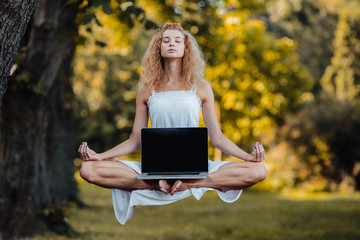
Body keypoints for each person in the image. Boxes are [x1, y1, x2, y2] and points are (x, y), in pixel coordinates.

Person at [78, 23, 266, 223]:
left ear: (186, 48)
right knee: (88, 169)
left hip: (194, 167)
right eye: (166, 40)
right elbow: (135, 140)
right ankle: (156, 183)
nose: (172, 44)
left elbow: (217, 138)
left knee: (258, 170)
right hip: (154, 167)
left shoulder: (202, 87)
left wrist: (248, 157)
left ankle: (190, 183)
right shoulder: (146, 89)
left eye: (177, 40)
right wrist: (99, 156)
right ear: (158, 48)